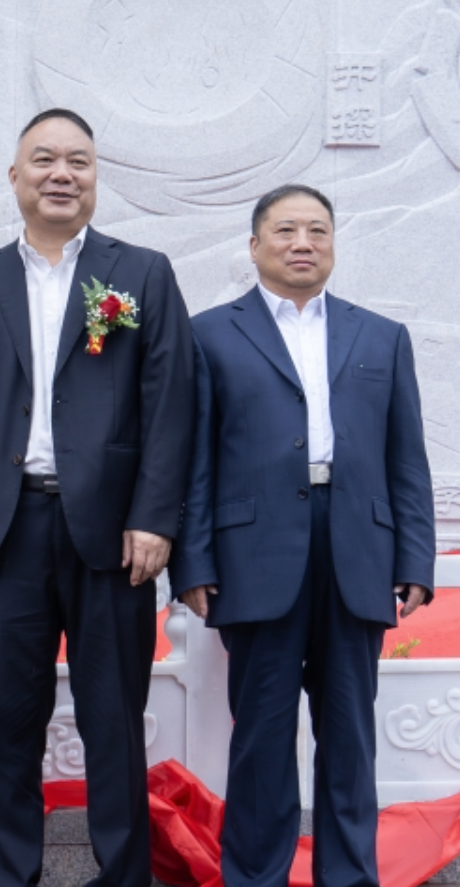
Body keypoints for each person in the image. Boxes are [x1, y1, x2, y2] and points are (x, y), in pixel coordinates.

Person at [0, 108, 195, 887]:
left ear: (95, 176)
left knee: (114, 717)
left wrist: (155, 516)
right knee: (10, 718)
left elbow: (171, 405)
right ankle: (11, 873)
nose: (61, 173)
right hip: (8, 528)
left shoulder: (142, 273)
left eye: (78, 160)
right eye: (44, 159)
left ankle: (123, 874)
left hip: (113, 534)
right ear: (15, 176)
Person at [170, 184, 434, 887]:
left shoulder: (380, 336)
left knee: (350, 735)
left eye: (317, 230)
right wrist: (192, 560)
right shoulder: (209, 334)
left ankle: (348, 876)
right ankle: (256, 875)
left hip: (357, 551)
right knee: (260, 735)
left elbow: (406, 458)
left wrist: (414, 556)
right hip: (253, 554)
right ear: (255, 245)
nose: (303, 243)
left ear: (333, 244)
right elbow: (191, 458)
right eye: (286, 230)